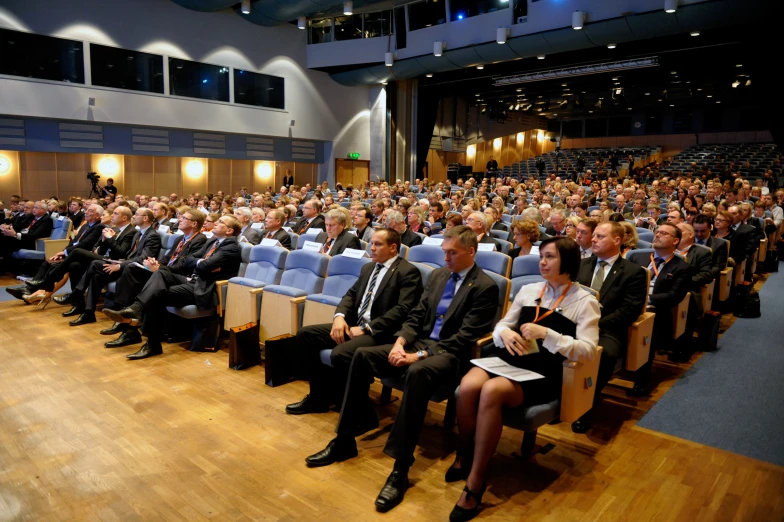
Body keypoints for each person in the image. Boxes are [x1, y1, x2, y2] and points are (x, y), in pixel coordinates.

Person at [304, 226, 498, 514]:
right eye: (444, 251)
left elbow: (465, 337)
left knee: (418, 372)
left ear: (471, 252)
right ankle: (345, 439)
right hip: (417, 344)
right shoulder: (438, 275)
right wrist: (400, 343)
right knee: (361, 356)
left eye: (452, 253)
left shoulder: (485, 286)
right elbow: (416, 315)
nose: (445, 258)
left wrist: (417, 355)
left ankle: (401, 467)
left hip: (448, 354)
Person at [448, 237, 600, 520]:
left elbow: (589, 352)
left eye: (550, 257)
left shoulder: (585, 301)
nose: (542, 262)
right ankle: (463, 454)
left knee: (492, 391)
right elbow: (503, 324)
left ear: (567, 261)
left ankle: (475, 482)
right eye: (541, 256)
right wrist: (504, 332)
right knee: (469, 385)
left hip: (543, 371)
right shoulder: (529, 290)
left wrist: (548, 335)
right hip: (511, 359)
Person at [285, 229, 423, 414]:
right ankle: (319, 398)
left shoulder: (407, 272)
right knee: (306, 335)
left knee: (340, 353)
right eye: (372, 243)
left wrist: (367, 328)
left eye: (378, 244)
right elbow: (350, 295)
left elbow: (402, 310)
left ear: (393, 248)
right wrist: (339, 317)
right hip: (354, 324)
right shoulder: (368, 267)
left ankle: (354, 402)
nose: (371, 248)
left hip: (381, 333)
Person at [103, 215, 243, 360]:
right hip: (192, 280)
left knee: (158, 294)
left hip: (205, 288)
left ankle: (147, 335)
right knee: (161, 273)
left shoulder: (231, 246)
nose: (215, 223)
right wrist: (199, 262)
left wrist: (200, 262)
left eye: (220, 222)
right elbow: (187, 259)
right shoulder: (213, 241)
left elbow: (204, 265)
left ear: (229, 230)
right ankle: (139, 317)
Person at [571, 221, 648, 433]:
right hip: (574, 324)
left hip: (607, 330)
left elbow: (628, 312)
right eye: (593, 235)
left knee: (602, 355)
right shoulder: (581, 265)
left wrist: (593, 323)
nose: (593, 239)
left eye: (600, 236)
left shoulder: (633, 272)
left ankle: (585, 406)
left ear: (617, 240)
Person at [101, 208, 208, 348]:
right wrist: (155, 263)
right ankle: (128, 323)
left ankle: (128, 322)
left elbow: (184, 265)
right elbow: (167, 259)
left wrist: (158, 269)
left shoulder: (200, 240)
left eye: (184, 218)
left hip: (178, 276)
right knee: (132, 268)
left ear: (194, 224)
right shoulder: (180, 238)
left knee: (141, 278)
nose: (179, 220)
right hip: (165, 272)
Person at [64, 208, 162, 327]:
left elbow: (143, 258)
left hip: (137, 271)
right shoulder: (138, 233)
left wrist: (120, 265)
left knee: (94, 263)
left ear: (145, 218)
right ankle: (88, 313)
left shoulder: (152, 235)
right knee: (96, 276)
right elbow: (128, 255)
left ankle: (77, 293)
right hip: (127, 265)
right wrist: (118, 262)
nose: (134, 216)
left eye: (136, 214)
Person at [627, 223, 691, 395]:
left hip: (654, 309)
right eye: (657, 232)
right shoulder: (638, 258)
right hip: (629, 302)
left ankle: (642, 379)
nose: (658, 235)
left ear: (675, 240)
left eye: (664, 233)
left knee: (647, 324)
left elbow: (674, 296)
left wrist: (646, 299)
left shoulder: (682, 267)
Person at [25, 207, 137, 303]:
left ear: (124, 218)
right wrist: (104, 240)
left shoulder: (130, 232)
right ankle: (78, 303)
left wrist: (109, 238)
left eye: (115, 214)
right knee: (74, 265)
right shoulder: (114, 229)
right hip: (104, 258)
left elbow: (120, 253)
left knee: (77, 252)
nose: (112, 215)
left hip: (115, 263)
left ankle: (49, 280)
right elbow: (100, 250)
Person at [5, 204, 105, 304]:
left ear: (97, 215)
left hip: (83, 256)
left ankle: (40, 286)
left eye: (90, 211)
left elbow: (85, 244)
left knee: (62, 265)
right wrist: (63, 252)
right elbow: (73, 242)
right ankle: (29, 288)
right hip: (73, 253)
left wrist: (65, 253)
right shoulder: (85, 226)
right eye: (87, 210)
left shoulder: (99, 227)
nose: (86, 212)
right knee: (49, 261)